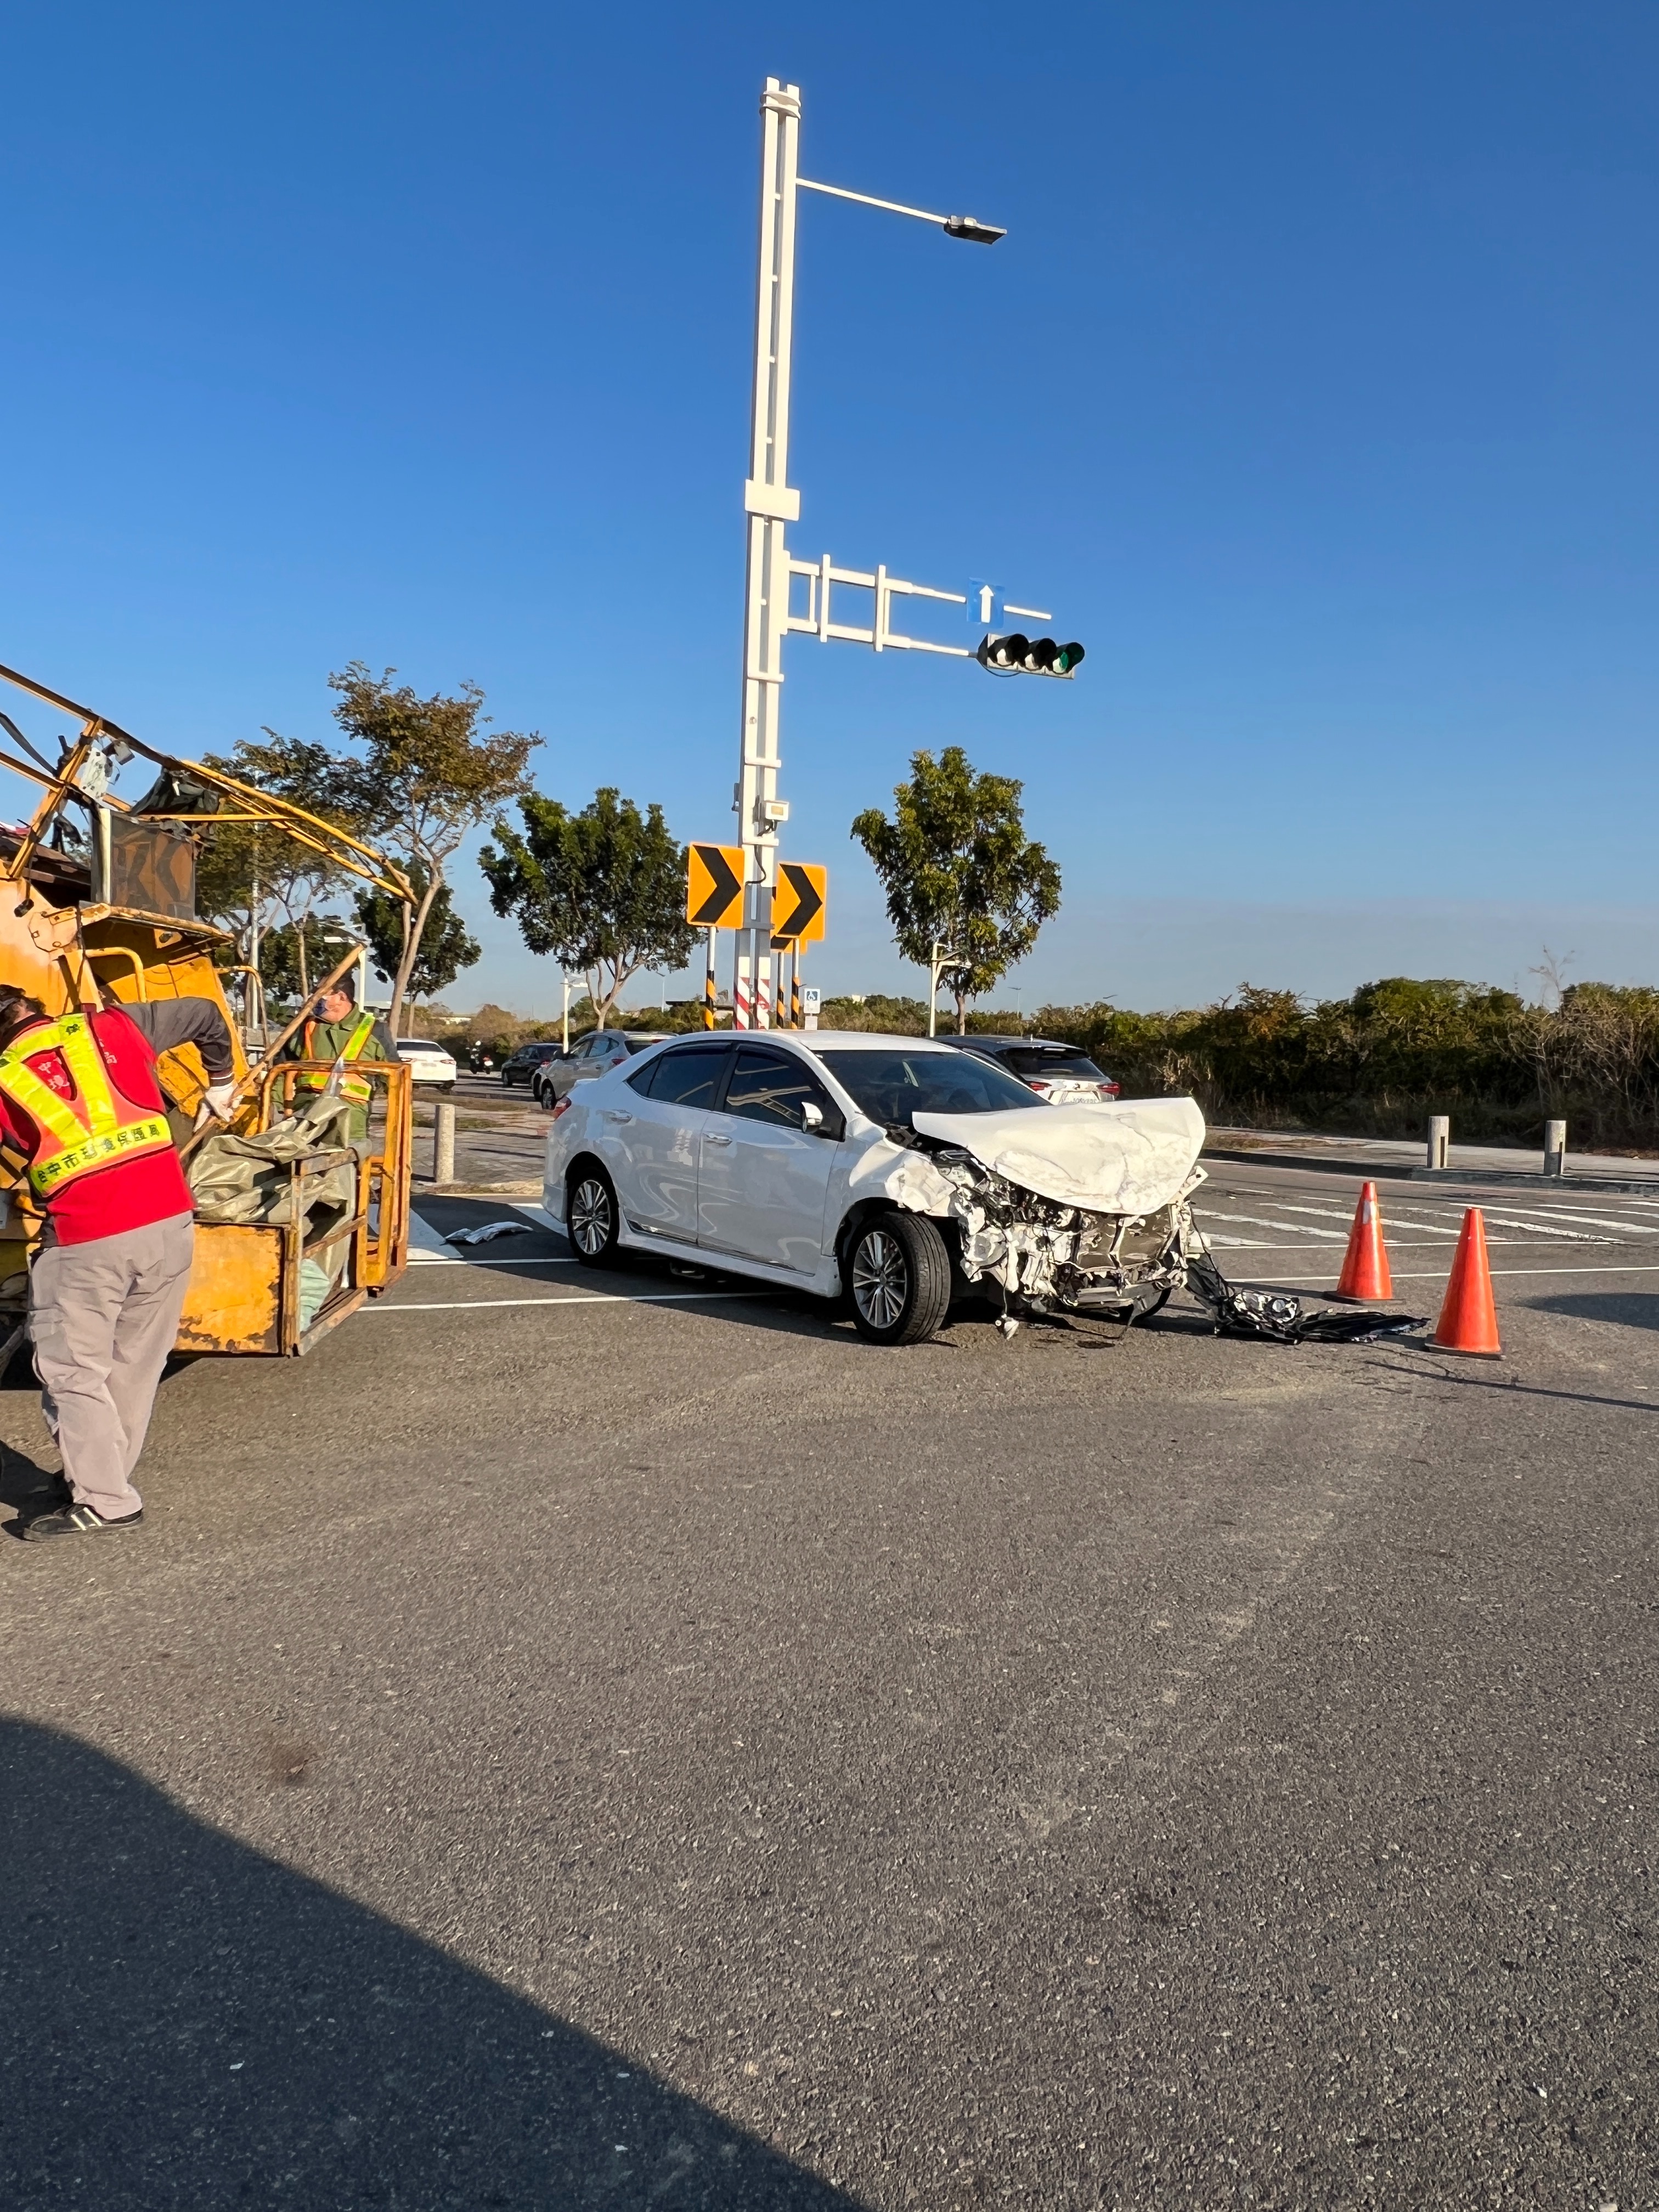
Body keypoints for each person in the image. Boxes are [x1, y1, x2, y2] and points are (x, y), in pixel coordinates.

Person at [0, 983, 237, 1541]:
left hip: (88, 1240)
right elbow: (204, 1013)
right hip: (169, 1226)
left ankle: (107, 1501)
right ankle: (100, 1477)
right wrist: (221, 1082)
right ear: (33, 1006)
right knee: (133, 1365)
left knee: (72, 1372)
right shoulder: (110, 1027)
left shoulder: (5, 1074)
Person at [278, 975, 399, 1144]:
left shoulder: (374, 1030)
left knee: (344, 1165)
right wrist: (268, 1109)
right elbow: (280, 1072)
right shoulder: (305, 1027)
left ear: (341, 997)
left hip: (351, 1119)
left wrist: (400, 1122)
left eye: (321, 994)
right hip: (306, 1116)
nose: (314, 999)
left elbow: (395, 1081)